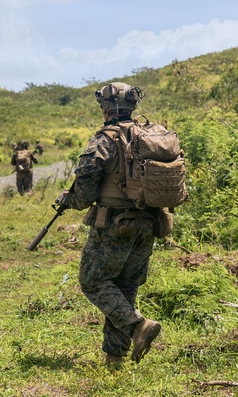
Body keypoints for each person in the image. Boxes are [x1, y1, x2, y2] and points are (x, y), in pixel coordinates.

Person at [53, 83, 162, 369]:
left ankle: (138, 324)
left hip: (114, 224)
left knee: (93, 280)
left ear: (107, 108)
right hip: (148, 223)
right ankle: (114, 359)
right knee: (124, 287)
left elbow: (87, 183)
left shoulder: (105, 139)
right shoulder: (149, 134)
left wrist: (71, 199)